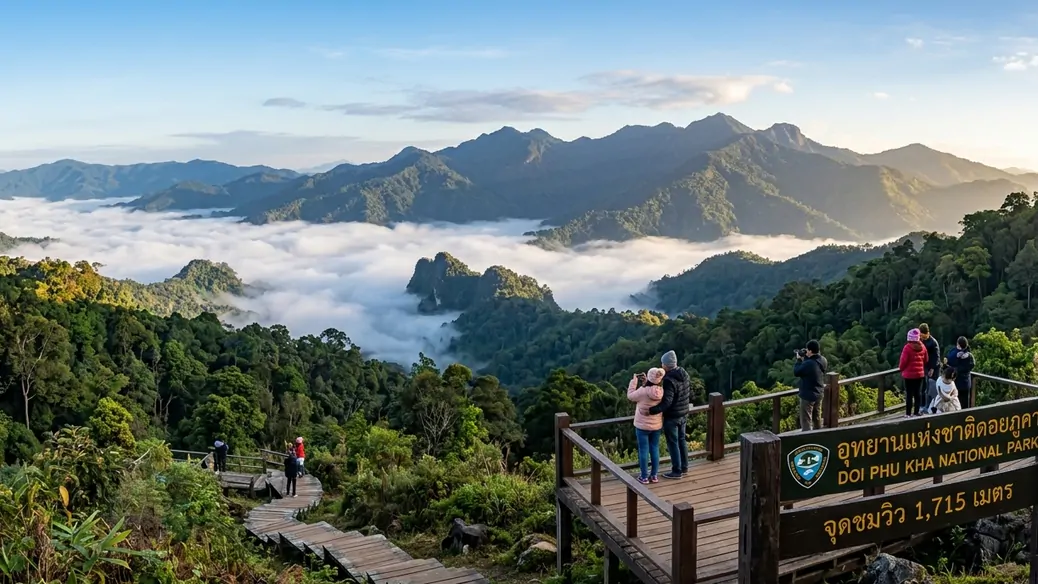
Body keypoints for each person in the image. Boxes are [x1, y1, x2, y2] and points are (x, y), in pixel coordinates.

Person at [647, 350, 691, 480]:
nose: (661, 366)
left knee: (673, 443)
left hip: (672, 416)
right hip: (683, 413)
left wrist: (652, 410)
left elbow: (667, 402)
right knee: (682, 440)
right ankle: (684, 467)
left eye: (663, 363)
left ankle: (676, 471)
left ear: (667, 365)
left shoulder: (669, 380)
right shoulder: (685, 374)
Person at [627, 368, 665, 484]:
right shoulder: (661, 391)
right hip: (656, 425)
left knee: (643, 450)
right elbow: (652, 387)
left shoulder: (643, 391)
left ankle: (644, 476)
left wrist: (634, 381)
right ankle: (654, 476)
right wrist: (647, 381)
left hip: (642, 426)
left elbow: (630, 396)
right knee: (654, 449)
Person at [793, 340, 828, 431]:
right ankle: (818, 435)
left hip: (808, 395)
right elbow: (813, 364)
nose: (806, 351)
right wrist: (806, 358)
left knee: (806, 420)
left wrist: (798, 360)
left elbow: (796, 372)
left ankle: (807, 439)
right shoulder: (823, 360)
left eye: (807, 350)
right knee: (817, 418)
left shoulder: (809, 364)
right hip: (819, 393)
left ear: (810, 351)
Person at [899, 328, 928, 417]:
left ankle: (908, 414)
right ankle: (916, 412)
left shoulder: (907, 347)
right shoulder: (923, 346)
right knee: (917, 393)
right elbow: (926, 360)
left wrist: (901, 368)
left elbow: (903, 361)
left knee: (909, 395)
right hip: (919, 374)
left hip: (908, 375)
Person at [918, 323, 941, 414]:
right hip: (924, 368)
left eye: (922, 335)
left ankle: (930, 407)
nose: (921, 337)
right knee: (923, 388)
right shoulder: (922, 341)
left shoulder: (933, 342)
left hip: (933, 369)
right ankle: (922, 406)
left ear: (927, 333)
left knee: (931, 390)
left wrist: (932, 368)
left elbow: (937, 358)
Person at [945, 336, 975, 401]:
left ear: (958, 344)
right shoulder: (968, 355)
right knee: (964, 404)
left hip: (955, 382)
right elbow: (972, 365)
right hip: (965, 383)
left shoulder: (953, 352)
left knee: (955, 404)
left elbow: (948, 362)